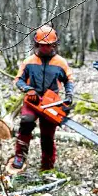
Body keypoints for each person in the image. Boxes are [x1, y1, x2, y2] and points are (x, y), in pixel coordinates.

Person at [12, 25, 74, 170]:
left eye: (49, 45)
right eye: (43, 45)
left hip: (51, 102)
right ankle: (20, 155)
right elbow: (18, 80)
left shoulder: (60, 62)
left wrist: (69, 94)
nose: (46, 48)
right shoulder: (29, 61)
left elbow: (69, 80)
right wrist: (28, 89)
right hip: (32, 101)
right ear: (37, 44)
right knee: (26, 122)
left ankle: (47, 164)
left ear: (54, 44)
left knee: (47, 134)